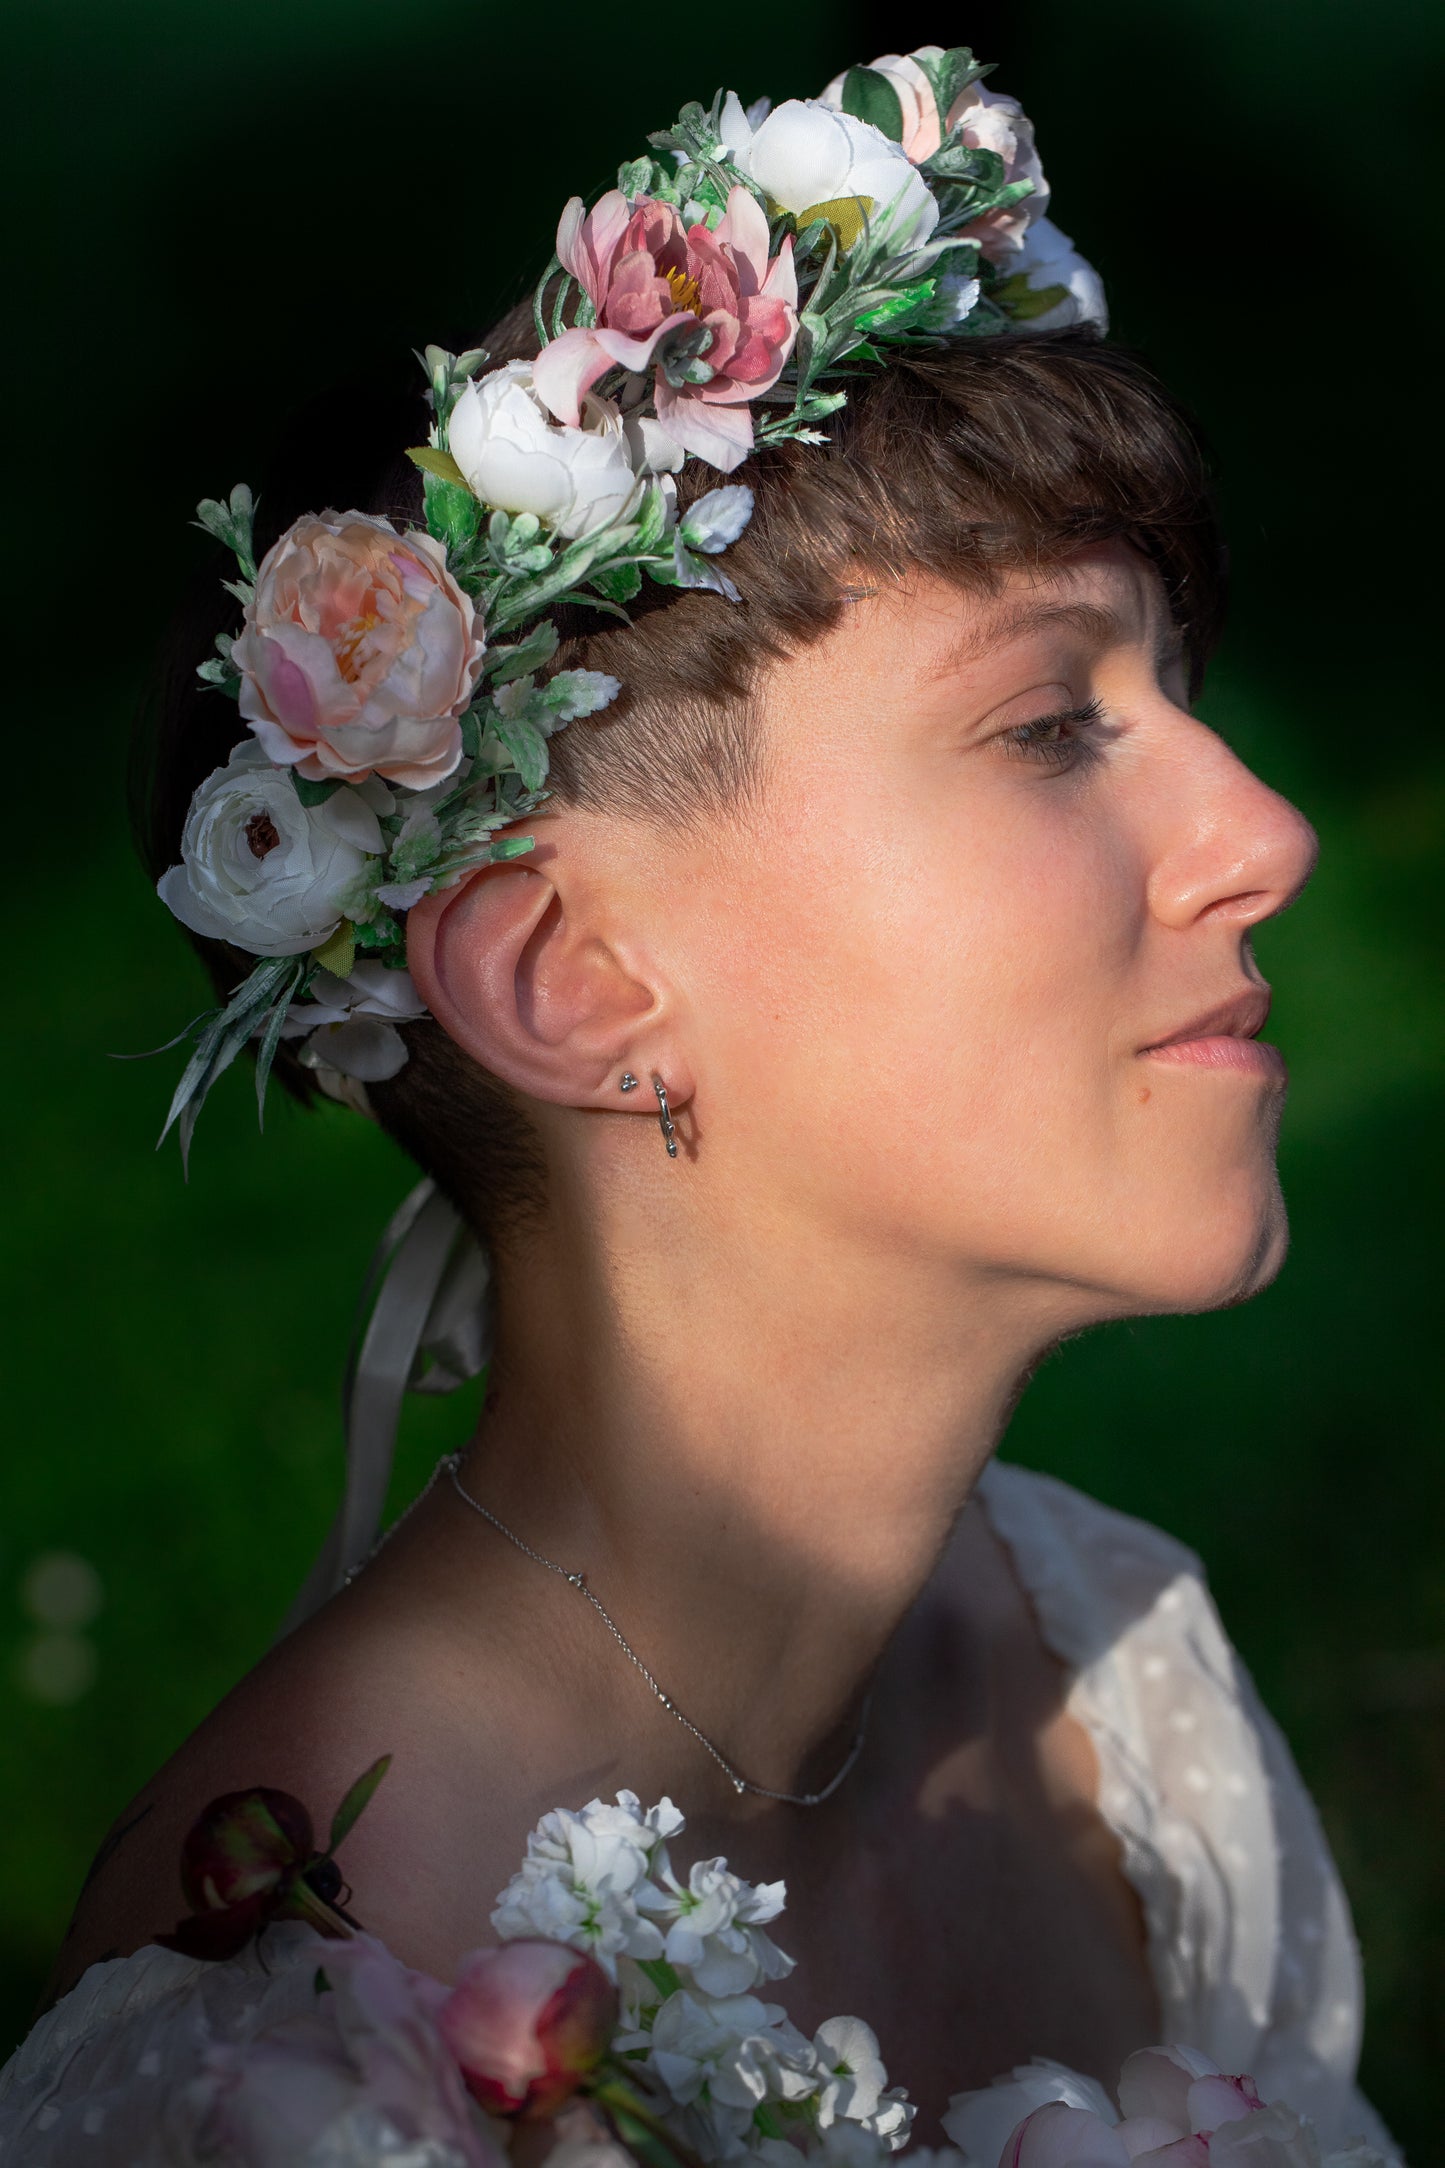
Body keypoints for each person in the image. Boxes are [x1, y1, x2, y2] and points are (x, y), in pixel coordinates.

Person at [0, 43, 1400, 2168]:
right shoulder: (311, 2038)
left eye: (1171, 697)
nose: (1266, 833)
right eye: (1047, 723)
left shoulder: (1119, 1686)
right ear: (573, 980)